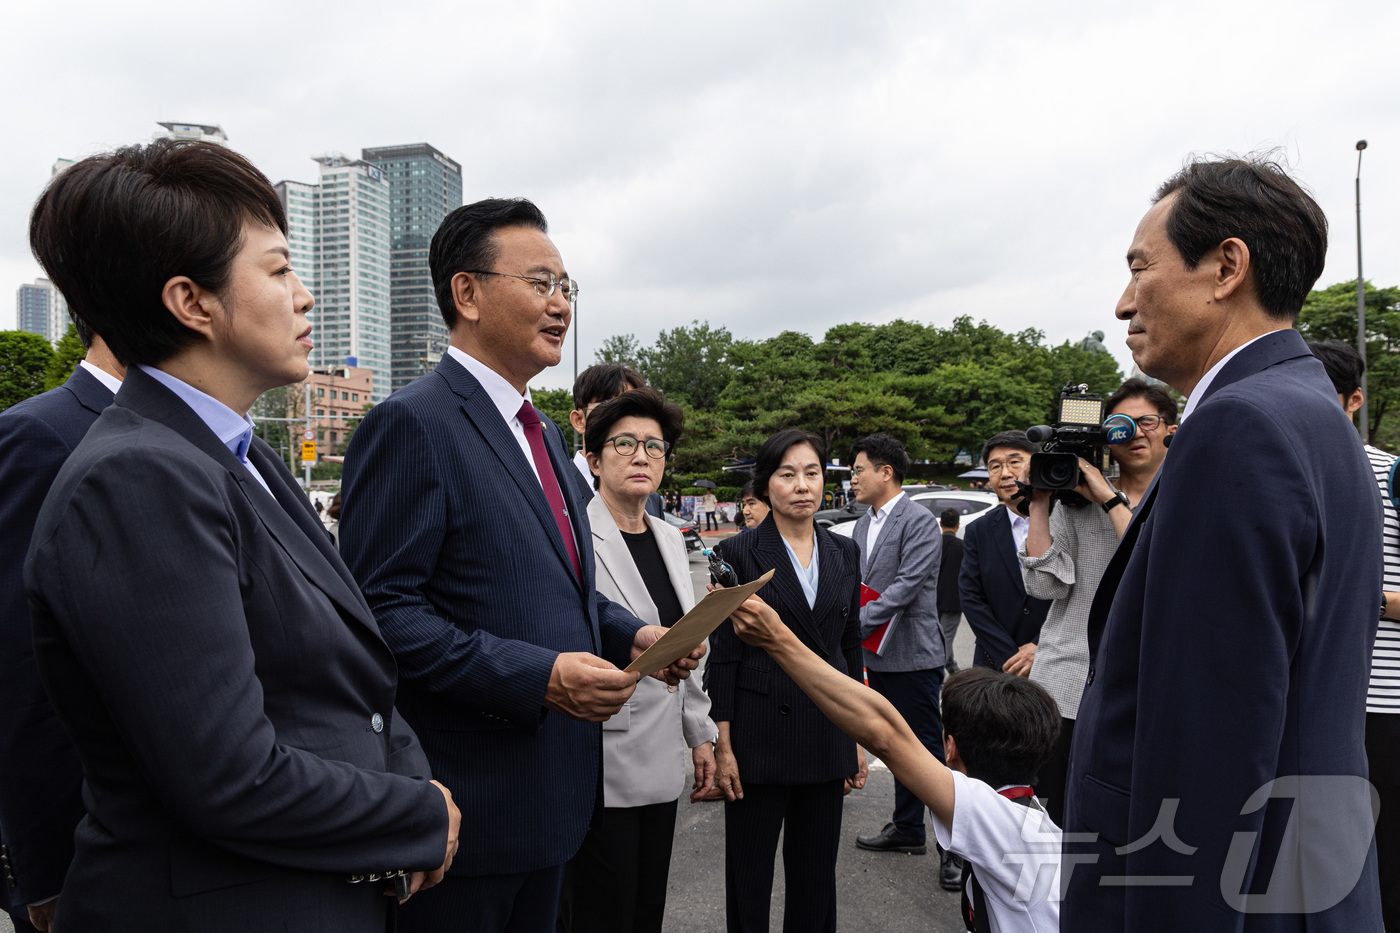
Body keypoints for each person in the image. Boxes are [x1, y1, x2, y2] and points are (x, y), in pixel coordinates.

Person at [21, 138, 458, 932]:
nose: (305, 296)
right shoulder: (139, 478)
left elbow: (353, 688)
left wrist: (409, 787)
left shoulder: (237, 450)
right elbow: (228, 773)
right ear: (192, 302)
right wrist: (415, 813)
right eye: (279, 269)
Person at [340, 197, 700, 933]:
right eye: (540, 283)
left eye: (567, 287)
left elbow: (565, 588)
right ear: (466, 293)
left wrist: (629, 635)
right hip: (471, 813)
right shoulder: (413, 423)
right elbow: (380, 613)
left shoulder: (539, 437)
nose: (561, 304)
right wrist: (537, 677)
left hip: (558, 803)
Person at [1065, 157, 1383, 929]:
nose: (1122, 303)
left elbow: (1205, 753)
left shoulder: (1238, 428)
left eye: (1141, 269)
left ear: (1226, 266)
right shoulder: (1311, 412)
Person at [726, 602, 1062, 933]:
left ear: (950, 747)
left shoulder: (1000, 823)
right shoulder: (1036, 822)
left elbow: (884, 733)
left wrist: (776, 638)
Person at [559, 388, 717, 933]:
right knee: (604, 906)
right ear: (595, 458)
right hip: (601, 749)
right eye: (624, 443)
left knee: (649, 902)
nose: (642, 456)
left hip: (661, 749)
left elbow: (689, 639)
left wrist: (700, 734)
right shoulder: (572, 533)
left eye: (655, 446)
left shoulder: (672, 537)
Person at [708, 429, 866, 933]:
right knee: (749, 879)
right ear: (767, 484)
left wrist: (859, 735)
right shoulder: (738, 550)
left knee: (816, 879)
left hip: (826, 729)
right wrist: (723, 744)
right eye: (787, 474)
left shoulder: (844, 551)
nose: (803, 485)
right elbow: (725, 656)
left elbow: (849, 647)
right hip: (758, 737)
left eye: (812, 473)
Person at [0, 315, 122, 932]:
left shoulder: (233, 440)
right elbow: (23, 668)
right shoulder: (41, 435)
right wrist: (44, 871)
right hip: (87, 857)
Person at [1016, 378, 1176, 827]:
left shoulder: (1184, 495)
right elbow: (1044, 589)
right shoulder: (1077, 499)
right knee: (1053, 812)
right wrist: (1042, 504)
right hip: (1067, 680)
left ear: (1171, 429)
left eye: (1147, 421)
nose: (1136, 433)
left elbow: (1156, 566)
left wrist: (1109, 498)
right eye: (1122, 424)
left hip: (1148, 681)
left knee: (1125, 816)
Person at [1307, 339, 1400, 932]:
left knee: (1383, 859)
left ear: (1354, 400)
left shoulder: (1391, 475)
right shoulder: (1274, 462)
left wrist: (1362, 598)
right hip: (1303, 699)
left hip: (1382, 705)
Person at [845, 436, 954, 875]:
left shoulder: (920, 520)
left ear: (885, 472)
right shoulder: (860, 524)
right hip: (877, 654)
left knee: (929, 752)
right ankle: (908, 828)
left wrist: (856, 622)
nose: (852, 479)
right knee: (891, 745)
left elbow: (907, 586)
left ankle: (954, 851)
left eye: (858, 470)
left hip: (913, 656)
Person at [958, 431, 1049, 673]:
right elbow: (971, 598)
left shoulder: (1068, 519)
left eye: (1014, 462)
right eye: (995, 466)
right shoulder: (978, 530)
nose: (1005, 473)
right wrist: (1011, 657)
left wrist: (1041, 646)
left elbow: (1081, 595)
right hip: (996, 665)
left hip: (1056, 660)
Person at [567, 362, 663, 519]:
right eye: (607, 406)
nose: (620, 418)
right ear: (579, 420)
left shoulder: (652, 500)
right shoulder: (555, 491)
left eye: (630, 410)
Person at [936, 509, 964, 676]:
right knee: (946, 636)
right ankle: (938, 671)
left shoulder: (933, 543)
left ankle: (951, 665)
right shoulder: (962, 546)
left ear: (940, 524)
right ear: (958, 525)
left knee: (940, 635)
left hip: (933, 597)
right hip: (953, 599)